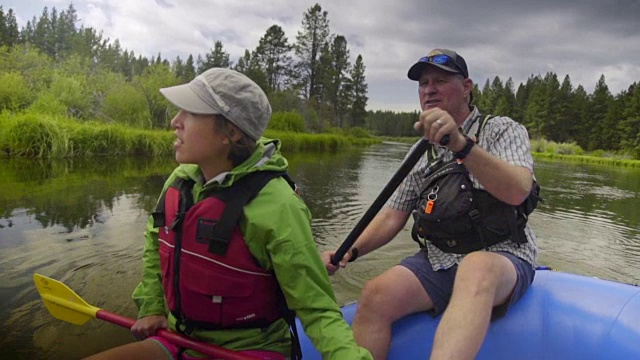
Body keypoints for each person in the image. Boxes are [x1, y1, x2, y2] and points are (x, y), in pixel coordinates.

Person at [85, 68, 372, 360]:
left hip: (249, 352)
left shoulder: (279, 206)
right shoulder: (180, 182)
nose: (175, 122)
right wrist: (153, 307)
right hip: (178, 340)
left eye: (191, 112)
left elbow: (316, 309)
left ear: (231, 133)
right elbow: (154, 246)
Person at [323, 48, 539, 360]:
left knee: (475, 268)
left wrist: (460, 144)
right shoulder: (421, 150)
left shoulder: (502, 129)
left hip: (503, 255)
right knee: (374, 295)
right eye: (423, 83)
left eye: (440, 80)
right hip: (440, 258)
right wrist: (348, 251)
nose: (429, 89)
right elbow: (392, 215)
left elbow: (518, 190)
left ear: (466, 87)